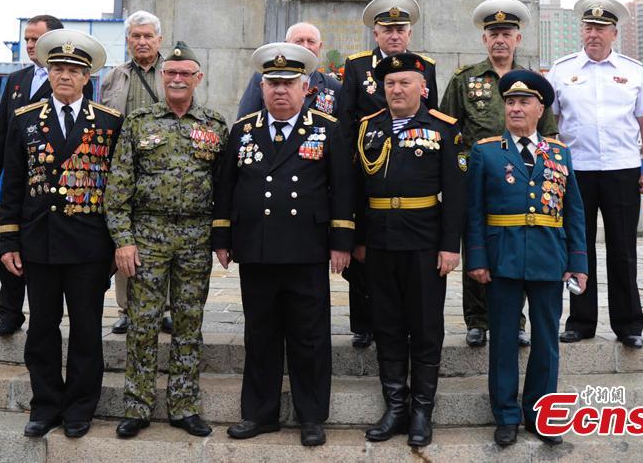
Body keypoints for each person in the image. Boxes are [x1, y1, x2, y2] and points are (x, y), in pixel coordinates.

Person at [212, 43, 354, 447]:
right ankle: (259, 414)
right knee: (261, 333)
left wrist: (341, 240)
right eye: (272, 82)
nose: (279, 90)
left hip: (306, 249)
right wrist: (222, 237)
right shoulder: (243, 130)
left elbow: (342, 189)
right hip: (255, 249)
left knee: (309, 337)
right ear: (262, 86)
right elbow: (227, 188)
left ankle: (311, 417)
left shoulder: (326, 128)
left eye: (288, 83)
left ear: (305, 87)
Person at [0, 29, 123, 439]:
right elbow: (13, 184)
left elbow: (117, 189)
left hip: (88, 245)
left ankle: (80, 408)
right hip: (40, 242)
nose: (64, 76)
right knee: (41, 330)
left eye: (73, 70)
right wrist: (8, 241)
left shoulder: (108, 122)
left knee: (86, 331)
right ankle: (45, 405)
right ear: (48, 73)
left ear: (88, 77)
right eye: (58, 69)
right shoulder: (25, 118)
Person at [105, 42, 227, 439]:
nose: (177, 79)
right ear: (162, 76)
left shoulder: (214, 125)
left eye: (185, 74)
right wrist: (123, 240)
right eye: (171, 73)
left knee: (189, 324)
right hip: (148, 237)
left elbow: (225, 188)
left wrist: (223, 236)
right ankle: (137, 407)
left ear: (198, 79)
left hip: (195, 238)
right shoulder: (139, 123)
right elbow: (118, 187)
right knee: (142, 324)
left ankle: (184, 406)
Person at [466, 69, 587, 447]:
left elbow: (574, 212)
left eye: (524, 102)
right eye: (510, 102)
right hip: (502, 257)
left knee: (547, 340)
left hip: (548, 257)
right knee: (502, 338)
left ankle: (541, 413)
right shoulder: (485, 152)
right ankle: (505, 414)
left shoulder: (559, 153)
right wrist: (477, 259)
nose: (516, 108)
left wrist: (578, 262)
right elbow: (473, 213)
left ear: (540, 109)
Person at [355, 53, 465, 447]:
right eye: (389, 84)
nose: (396, 90)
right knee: (386, 325)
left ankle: (422, 409)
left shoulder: (443, 129)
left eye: (404, 83)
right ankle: (395, 407)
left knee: (424, 326)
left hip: (423, 240)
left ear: (423, 88)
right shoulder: (368, 128)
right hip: (381, 242)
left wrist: (450, 247)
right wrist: (359, 240)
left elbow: (455, 195)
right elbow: (356, 189)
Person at [439, 0, 559, 348]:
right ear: (484, 40)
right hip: (477, 177)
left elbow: (548, 135)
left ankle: (515, 320)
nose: (500, 40)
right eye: (493, 34)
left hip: (522, 179)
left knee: (516, 248)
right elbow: (448, 129)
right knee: (476, 244)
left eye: (506, 33)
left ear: (518, 39)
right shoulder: (466, 79)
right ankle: (476, 320)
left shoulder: (533, 82)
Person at [547, 0, 643, 349]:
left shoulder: (633, 70)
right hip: (576, 172)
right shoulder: (562, 70)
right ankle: (581, 322)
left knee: (623, 249)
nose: (593, 34)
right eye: (588, 27)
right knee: (579, 248)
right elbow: (550, 123)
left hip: (622, 170)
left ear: (614, 33)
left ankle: (628, 324)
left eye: (600, 29)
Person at [339, 0, 438, 350]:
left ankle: (404, 321)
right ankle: (363, 324)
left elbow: (433, 118)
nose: (394, 35)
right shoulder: (356, 65)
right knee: (362, 248)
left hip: (410, 169)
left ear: (409, 33)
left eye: (400, 29)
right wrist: (351, 166)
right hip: (367, 172)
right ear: (375, 33)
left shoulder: (425, 65)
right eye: (387, 29)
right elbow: (347, 119)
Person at [0, 14, 75, 337]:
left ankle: (39, 312)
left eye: (37, 39)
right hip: (18, 178)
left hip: (49, 184)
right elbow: (2, 129)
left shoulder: (72, 79)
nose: (31, 45)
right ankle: (9, 311)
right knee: (8, 242)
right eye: (27, 40)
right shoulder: (17, 79)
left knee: (36, 250)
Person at [100, 10, 172, 336]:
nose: (142, 41)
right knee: (124, 238)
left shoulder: (173, 72)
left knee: (166, 238)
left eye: (148, 36)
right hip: (124, 168)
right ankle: (126, 309)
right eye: (135, 36)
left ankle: (166, 308)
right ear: (127, 40)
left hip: (165, 169)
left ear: (159, 40)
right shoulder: (113, 77)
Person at [236, 22, 341, 118]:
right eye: (298, 41)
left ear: (320, 46)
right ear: (286, 43)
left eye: (311, 41)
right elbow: (245, 123)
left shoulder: (333, 85)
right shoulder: (261, 78)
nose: (305, 46)